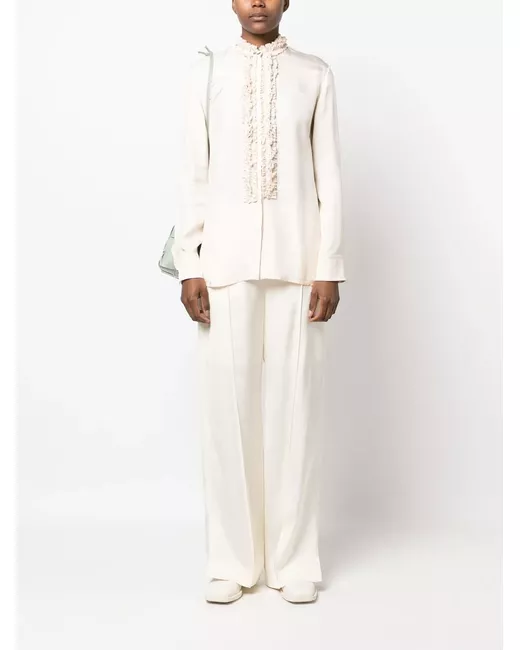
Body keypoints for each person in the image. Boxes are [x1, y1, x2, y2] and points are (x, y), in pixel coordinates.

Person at [173, 0, 346, 604]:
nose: (258, 3)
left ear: (287, 0)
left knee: (297, 408)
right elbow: (194, 174)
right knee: (226, 412)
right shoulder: (207, 73)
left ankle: (294, 560)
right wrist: (190, 264)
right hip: (223, 265)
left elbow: (330, 177)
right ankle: (231, 560)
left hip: (300, 265)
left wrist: (329, 265)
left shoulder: (314, 74)